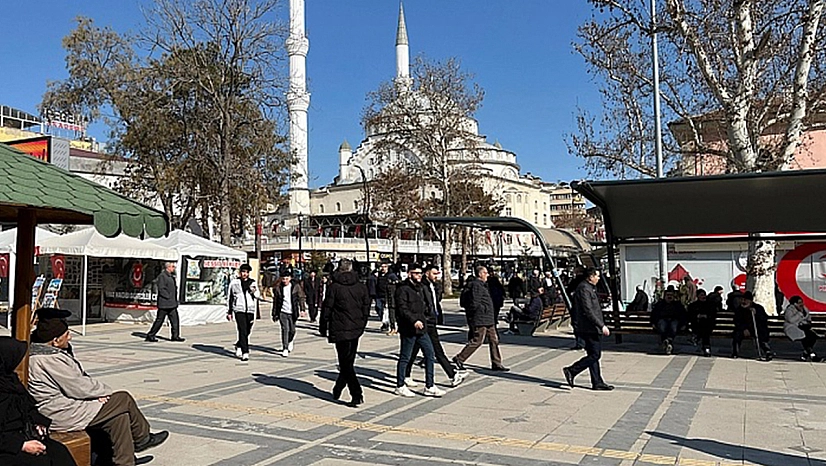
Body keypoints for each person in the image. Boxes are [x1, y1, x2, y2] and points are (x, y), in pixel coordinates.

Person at [28, 319, 168, 466]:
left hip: (68, 404)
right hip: (61, 412)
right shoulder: (48, 359)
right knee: (122, 399)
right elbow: (79, 386)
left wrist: (97, 396)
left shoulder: (47, 355)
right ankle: (142, 439)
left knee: (119, 416)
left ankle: (125, 461)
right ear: (56, 341)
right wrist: (103, 393)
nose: (70, 337)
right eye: (67, 334)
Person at [0, 337, 77, 466]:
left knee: (59, 451)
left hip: (23, 435)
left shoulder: (10, 380)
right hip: (7, 446)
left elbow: (28, 407)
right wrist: (21, 445)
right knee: (39, 461)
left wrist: (39, 422)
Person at [403, 265, 467, 388]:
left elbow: (435, 301)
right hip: (426, 321)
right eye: (434, 273)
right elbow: (422, 304)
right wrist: (425, 316)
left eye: (437, 274)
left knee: (415, 350)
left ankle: (406, 374)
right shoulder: (422, 286)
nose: (436, 276)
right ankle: (452, 374)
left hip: (431, 319)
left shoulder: (433, 286)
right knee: (436, 350)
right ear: (427, 274)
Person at [321, 259, 371, 407]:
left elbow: (327, 308)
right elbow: (366, 306)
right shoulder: (361, 287)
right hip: (356, 328)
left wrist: (323, 326)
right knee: (348, 362)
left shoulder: (334, 287)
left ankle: (356, 393)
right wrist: (363, 322)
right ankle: (338, 387)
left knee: (345, 363)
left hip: (340, 327)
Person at [394, 264, 446, 398]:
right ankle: (400, 385)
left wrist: (427, 318)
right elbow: (402, 309)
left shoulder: (421, 288)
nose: (419, 276)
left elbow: (425, 305)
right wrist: (413, 321)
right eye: (416, 273)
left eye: (420, 273)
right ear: (409, 274)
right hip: (409, 329)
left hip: (422, 328)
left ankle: (430, 386)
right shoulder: (402, 289)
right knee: (405, 357)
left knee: (429, 354)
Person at [562, 267, 613, 391]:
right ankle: (572, 370)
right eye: (597, 276)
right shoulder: (584, 289)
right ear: (590, 277)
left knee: (592, 354)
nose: (599, 278)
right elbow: (588, 310)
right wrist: (601, 325)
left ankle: (597, 382)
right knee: (595, 354)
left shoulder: (588, 288)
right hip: (589, 328)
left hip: (591, 327)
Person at [453, 266, 509, 372]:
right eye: (485, 273)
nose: (487, 275)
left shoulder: (483, 285)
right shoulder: (476, 285)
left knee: (494, 339)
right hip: (481, 318)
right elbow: (475, 302)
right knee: (477, 341)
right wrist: (480, 312)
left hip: (488, 318)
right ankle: (459, 358)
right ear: (480, 274)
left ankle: (496, 363)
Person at [227, 264, 263, 361]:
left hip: (250, 310)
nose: (245, 274)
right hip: (239, 309)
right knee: (242, 329)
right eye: (243, 272)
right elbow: (230, 297)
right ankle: (245, 352)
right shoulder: (234, 283)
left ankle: (239, 344)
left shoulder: (252, 282)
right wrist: (229, 311)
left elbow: (258, 295)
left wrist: (253, 291)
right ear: (240, 272)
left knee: (248, 330)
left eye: (246, 272)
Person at [145, 262, 184, 343]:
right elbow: (161, 289)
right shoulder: (162, 276)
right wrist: (168, 297)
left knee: (175, 320)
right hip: (164, 303)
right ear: (168, 267)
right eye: (173, 267)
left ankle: (175, 336)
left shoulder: (171, 276)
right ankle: (151, 335)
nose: (174, 268)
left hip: (172, 304)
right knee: (159, 320)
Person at [272, 266, 305, 358]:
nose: (285, 280)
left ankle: (290, 340)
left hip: (293, 311)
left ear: (290, 278)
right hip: (282, 311)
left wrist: (302, 309)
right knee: (285, 329)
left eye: (287, 278)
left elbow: (301, 298)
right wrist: (274, 313)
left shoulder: (296, 287)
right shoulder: (278, 288)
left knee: (292, 330)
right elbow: (276, 302)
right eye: (283, 279)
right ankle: (285, 348)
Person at [732, 291, 772, 360]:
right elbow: (737, 321)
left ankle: (767, 351)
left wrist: (756, 314)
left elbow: (764, 319)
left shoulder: (758, 308)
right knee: (737, 334)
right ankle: (735, 352)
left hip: (756, 328)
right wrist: (744, 328)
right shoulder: (739, 309)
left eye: (746, 300)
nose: (744, 302)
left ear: (750, 301)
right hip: (744, 329)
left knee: (761, 335)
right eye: (743, 300)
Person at [650, 286, 686, 355]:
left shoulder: (677, 305)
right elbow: (654, 315)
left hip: (674, 320)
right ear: (665, 296)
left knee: (673, 326)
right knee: (662, 326)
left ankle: (668, 341)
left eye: (671, 295)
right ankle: (667, 342)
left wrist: (684, 324)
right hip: (662, 320)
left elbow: (683, 315)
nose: (669, 297)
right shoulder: (660, 304)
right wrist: (653, 323)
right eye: (668, 295)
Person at [784, 296, 819, 361]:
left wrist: (806, 322)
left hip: (803, 327)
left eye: (802, 302)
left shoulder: (804, 309)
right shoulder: (790, 309)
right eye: (799, 302)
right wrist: (799, 314)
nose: (801, 304)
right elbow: (791, 320)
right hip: (792, 328)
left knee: (813, 336)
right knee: (805, 337)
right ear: (795, 303)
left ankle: (806, 353)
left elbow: (808, 318)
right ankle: (812, 354)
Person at [687, 289, 717, 356]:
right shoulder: (693, 306)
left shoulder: (710, 305)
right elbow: (690, 316)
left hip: (708, 325)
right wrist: (698, 316)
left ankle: (698, 340)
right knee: (704, 331)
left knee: (705, 329)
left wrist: (706, 316)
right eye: (701, 295)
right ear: (698, 296)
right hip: (697, 325)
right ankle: (706, 347)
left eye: (704, 295)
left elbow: (713, 315)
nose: (703, 297)